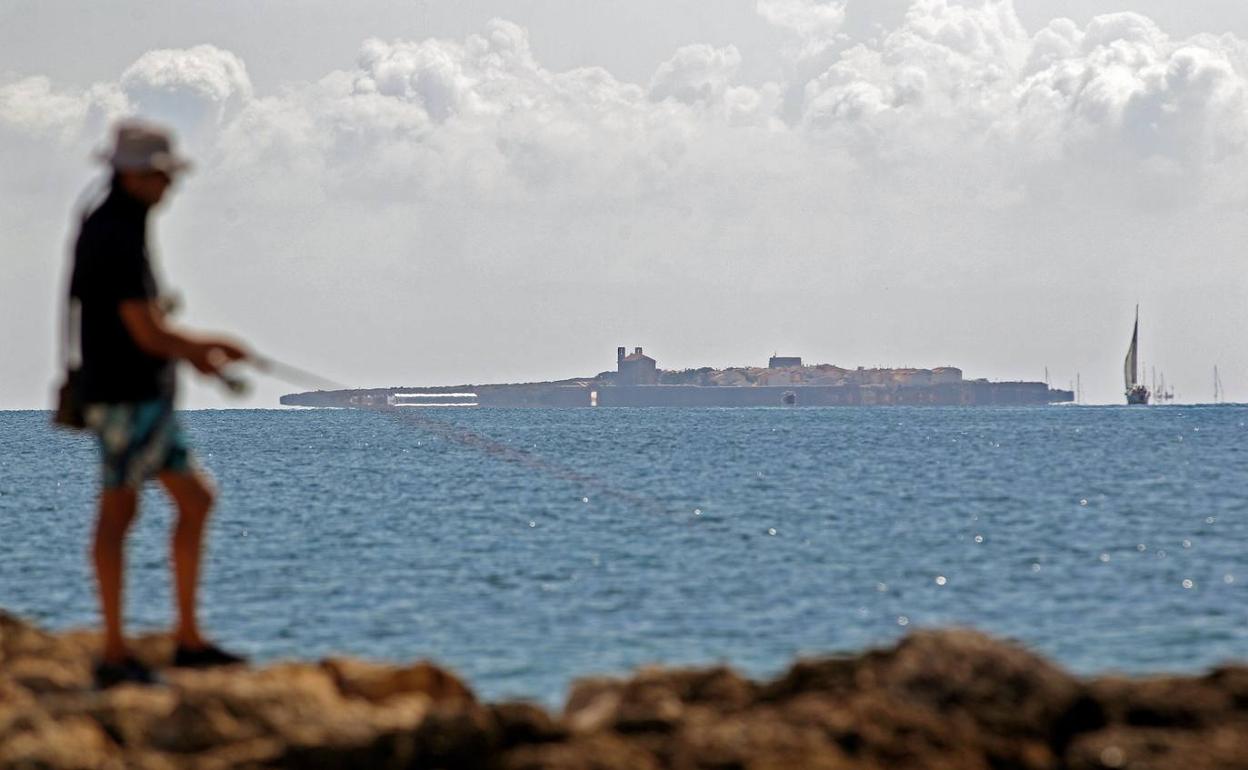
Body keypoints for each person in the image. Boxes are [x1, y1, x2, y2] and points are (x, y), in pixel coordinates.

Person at [68, 120, 248, 687]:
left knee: (195, 500)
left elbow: (145, 326)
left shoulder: (123, 224)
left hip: (144, 395)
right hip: (124, 396)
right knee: (118, 514)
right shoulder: (114, 232)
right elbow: (144, 332)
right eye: (163, 176)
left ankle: (188, 639)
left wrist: (192, 354)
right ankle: (115, 653)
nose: (170, 187)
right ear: (136, 176)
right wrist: (205, 345)